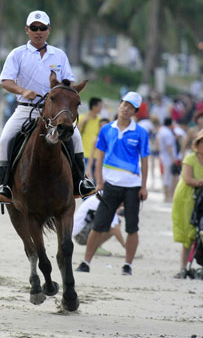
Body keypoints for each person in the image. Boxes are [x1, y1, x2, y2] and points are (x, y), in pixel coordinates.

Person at [0, 10, 95, 203]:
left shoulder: (59, 55)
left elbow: (68, 84)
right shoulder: (17, 54)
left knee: (76, 137)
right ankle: (5, 185)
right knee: (5, 138)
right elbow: (5, 81)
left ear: (49, 30)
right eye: (34, 28)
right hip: (26, 108)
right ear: (27, 30)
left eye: (42, 28)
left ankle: (81, 181)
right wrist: (23, 91)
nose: (38, 31)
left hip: (54, 112)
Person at [79, 92, 150, 276]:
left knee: (132, 226)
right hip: (110, 184)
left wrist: (144, 186)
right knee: (98, 224)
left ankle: (128, 265)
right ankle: (86, 261)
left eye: (131, 107)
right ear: (119, 105)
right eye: (124, 104)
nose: (126, 109)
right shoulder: (106, 129)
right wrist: (99, 181)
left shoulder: (140, 132)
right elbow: (99, 156)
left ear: (135, 111)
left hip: (132, 186)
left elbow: (145, 160)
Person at [172, 129, 203, 275]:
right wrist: (201, 182)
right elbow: (188, 179)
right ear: (197, 144)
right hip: (186, 197)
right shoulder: (190, 159)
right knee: (188, 233)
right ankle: (183, 267)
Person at [74, 195, 126, 263]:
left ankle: (96, 246)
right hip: (80, 235)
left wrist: (117, 211)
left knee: (111, 219)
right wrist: (127, 247)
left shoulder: (104, 196)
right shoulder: (109, 202)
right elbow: (114, 228)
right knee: (113, 223)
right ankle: (95, 247)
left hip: (79, 231)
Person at [78, 97, 103, 176]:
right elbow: (74, 132)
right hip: (84, 154)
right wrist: (83, 122)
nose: (101, 108)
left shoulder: (100, 121)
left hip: (96, 156)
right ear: (94, 107)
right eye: (100, 106)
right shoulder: (82, 118)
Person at [157, 117, 179, 202]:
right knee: (168, 177)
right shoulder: (167, 133)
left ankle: (166, 196)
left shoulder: (161, 131)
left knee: (166, 176)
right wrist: (173, 157)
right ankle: (167, 196)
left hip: (163, 155)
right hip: (168, 157)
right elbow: (169, 146)